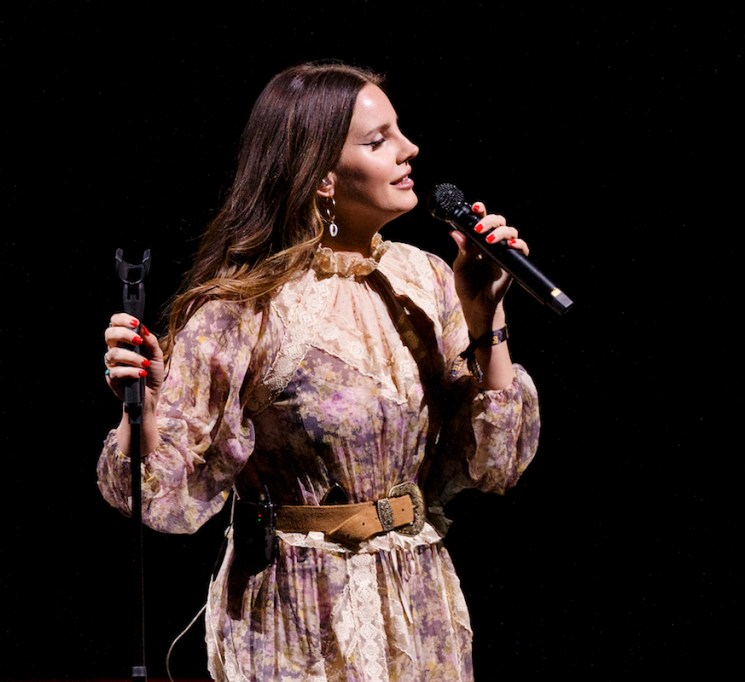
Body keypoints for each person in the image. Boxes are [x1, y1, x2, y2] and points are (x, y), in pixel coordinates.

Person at [97, 59, 541, 681]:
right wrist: (136, 403)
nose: (410, 150)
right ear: (324, 177)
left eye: (400, 131)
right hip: (297, 611)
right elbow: (163, 493)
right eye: (378, 140)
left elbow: (496, 464)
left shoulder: (428, 279)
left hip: (416, 600)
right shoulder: (243, 307)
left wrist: (484, 316)